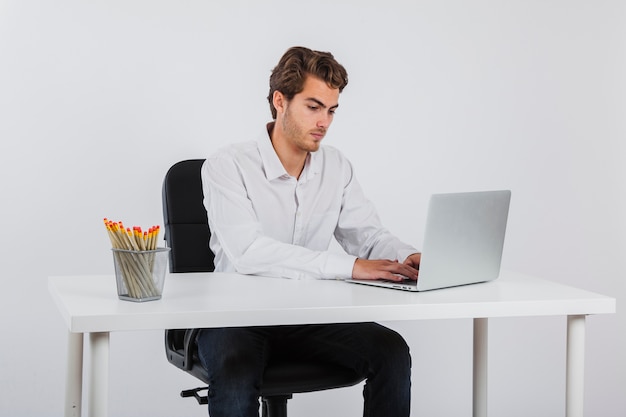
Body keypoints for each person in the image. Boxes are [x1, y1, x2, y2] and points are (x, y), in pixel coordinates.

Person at [198, 46, 421, 417]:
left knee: (391, 351)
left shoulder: (336, 165)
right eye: (314, 107)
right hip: (237, 317)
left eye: (332, 110)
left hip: (308, 316)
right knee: (235, 372)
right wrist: (348, 267)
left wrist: (406, 256)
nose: (325, 122)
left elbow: (367, 235)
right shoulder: (228, 165)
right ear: (280, 101)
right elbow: (247, 251)